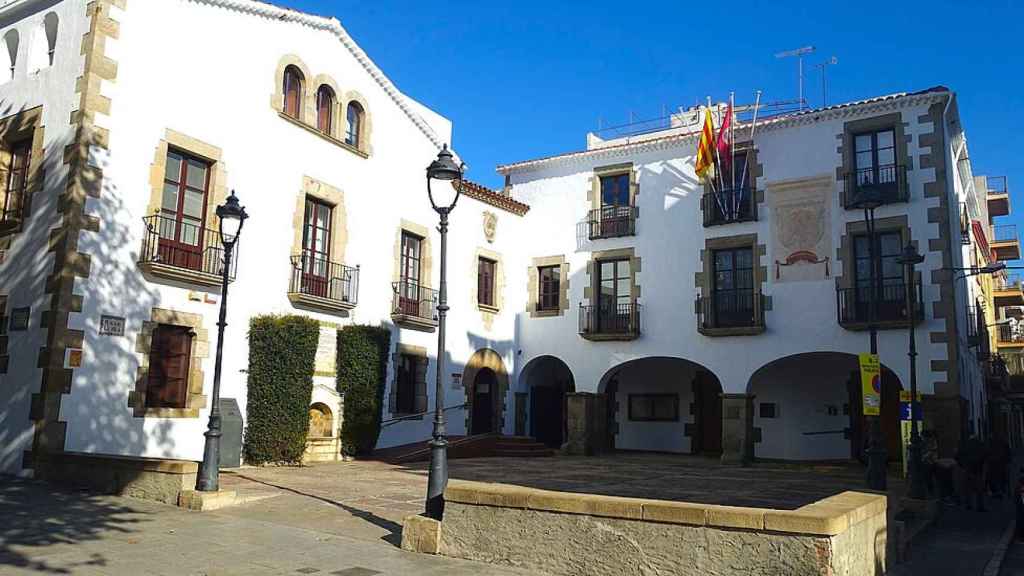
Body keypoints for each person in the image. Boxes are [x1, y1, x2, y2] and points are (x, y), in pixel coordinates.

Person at [956, 435, 987, 512]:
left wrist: (962, 465)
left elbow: (957, 456)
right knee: (979, 489)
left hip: (967, 468)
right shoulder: (980, 444)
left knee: (967, 488)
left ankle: (968, 505)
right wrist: (981, 464)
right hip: (977, 469)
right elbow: (985, 455)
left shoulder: (965, 445)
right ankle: (980, 506)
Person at [922, 430, 939, 497]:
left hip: (930, 463)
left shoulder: (931, 442)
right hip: (930, 462)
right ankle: (931, 492)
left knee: (929, 478)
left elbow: (932, 451)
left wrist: (924, 457)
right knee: (929, 478)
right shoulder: (929, 442)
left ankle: (931, 493)